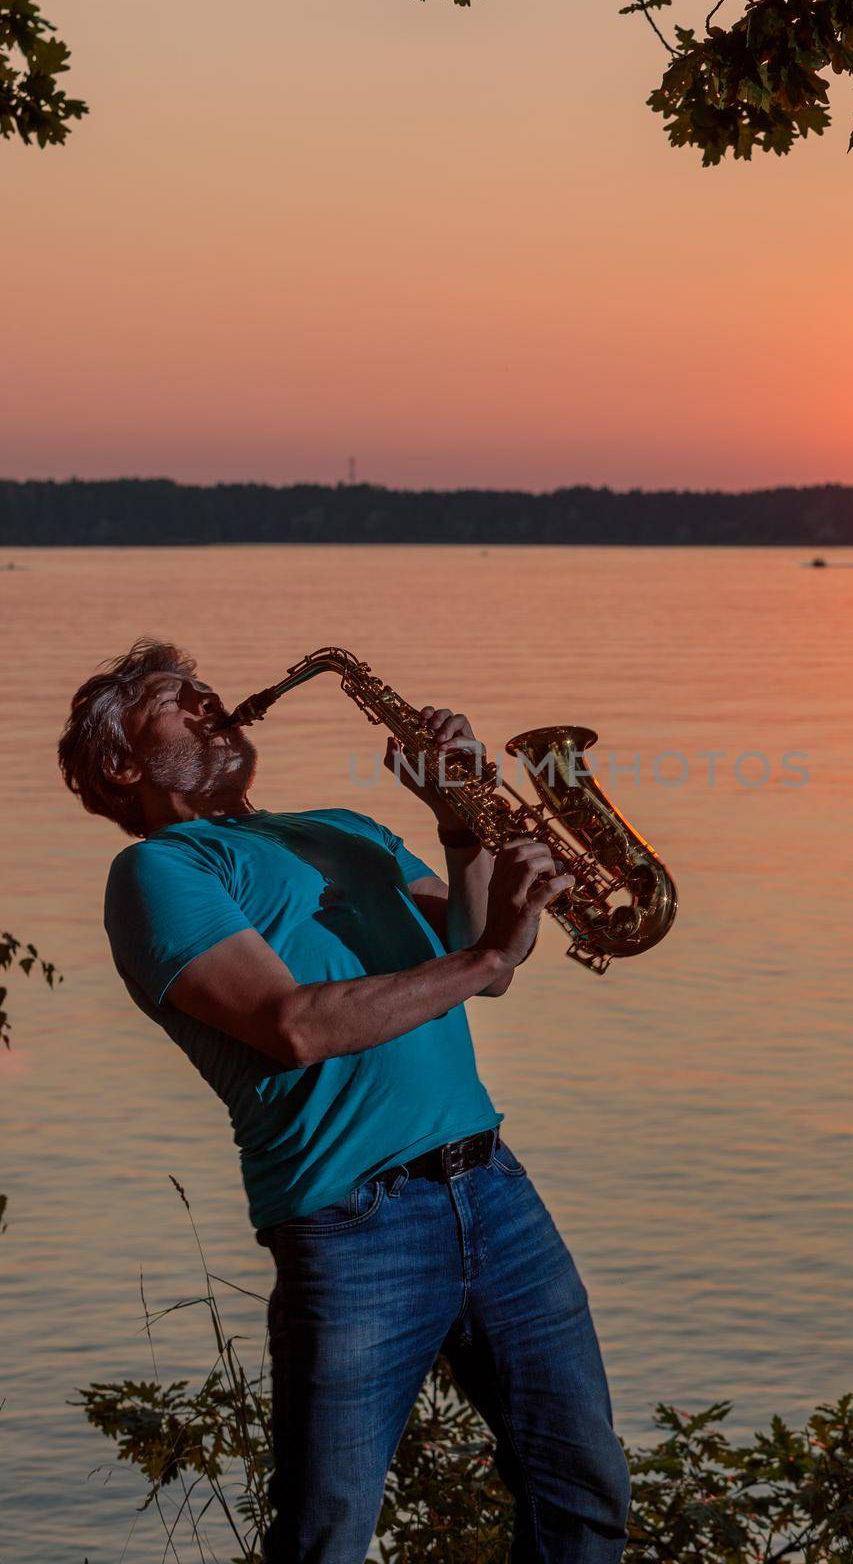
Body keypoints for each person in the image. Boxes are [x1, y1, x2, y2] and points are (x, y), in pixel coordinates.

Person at [58, 638, 632, 1564]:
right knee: (326, 1538)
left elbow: (488, 966)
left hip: (494, 1188)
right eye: (181, 700)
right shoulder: (165, 872)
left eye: (209, 692)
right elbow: (293, 1026)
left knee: (586, 1498)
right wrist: (486, 953)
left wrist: (458, 825)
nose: (213, 704)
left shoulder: (348, 827)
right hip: (351, 1224)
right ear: (123, 762)